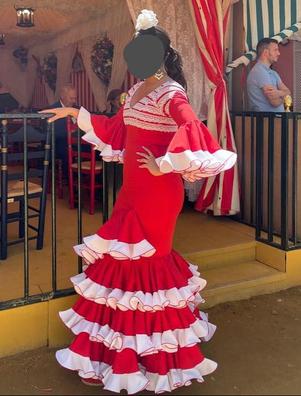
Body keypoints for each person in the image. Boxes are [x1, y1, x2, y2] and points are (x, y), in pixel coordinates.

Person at [40, 9, 236, 394]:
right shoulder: (135, 90)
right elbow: (115, 129)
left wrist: (165, 165)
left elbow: (190, 126)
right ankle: (123, 353)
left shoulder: (170, 91)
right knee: (124, 262)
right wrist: (73, 111)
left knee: (149, 265)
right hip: (131, 191)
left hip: (157, 194)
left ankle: (157, 359)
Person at [247, 38, 290, 112]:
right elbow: (275, 102)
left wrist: (278, 93)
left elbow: (288, 92)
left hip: (276, 121)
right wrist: (284, 95)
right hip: (266, 121)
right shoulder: (259, 72)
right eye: (275, 50)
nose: (278, 53)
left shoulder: (273, 73)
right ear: (266, 52)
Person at [48, 84, 77, 177]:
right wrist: (71, 132)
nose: (74, 101)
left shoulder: (77, 109)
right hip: (58, 143)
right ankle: (70, 180)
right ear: (62, 96)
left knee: (97, 150)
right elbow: (55, 133)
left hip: (77, 142)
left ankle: (96, 183)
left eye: (75, 98)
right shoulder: (53, 110)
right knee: (67, 150)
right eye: (71, 98)